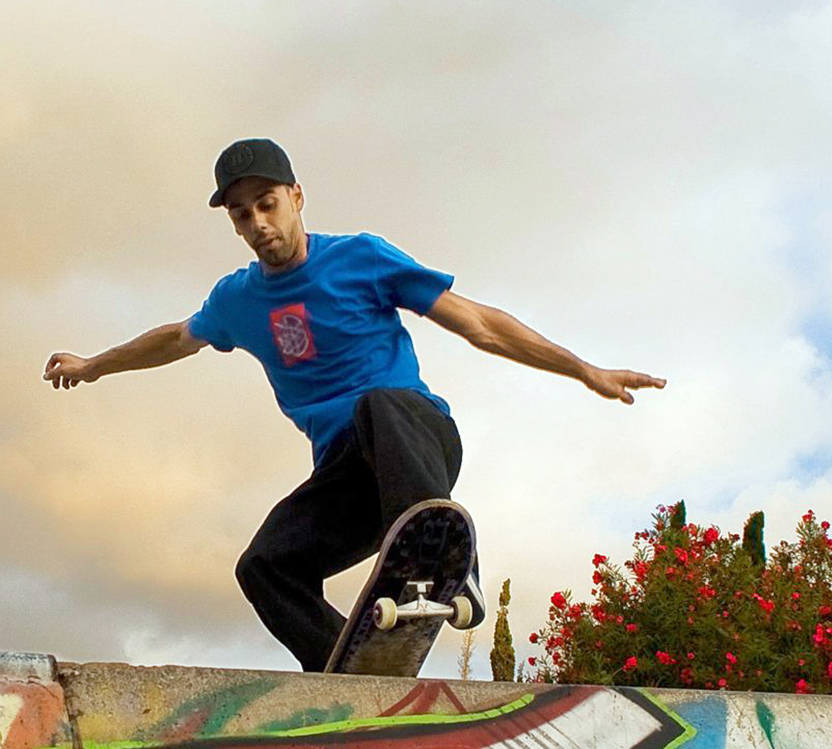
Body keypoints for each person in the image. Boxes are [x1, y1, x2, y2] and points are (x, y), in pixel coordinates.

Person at [42, 138, 666, 672]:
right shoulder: (235, 300)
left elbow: (478, 323)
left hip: (415, 438)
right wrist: (94, 365)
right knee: (263, 566)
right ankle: (350, 670)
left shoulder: (360, 258)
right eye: (241, 215)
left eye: (267, 205)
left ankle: (444, 556)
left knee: (377, 405)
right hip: (350, 480)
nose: (258, 224)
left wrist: (583, 369)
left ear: (296, 198)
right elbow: (174, 339)